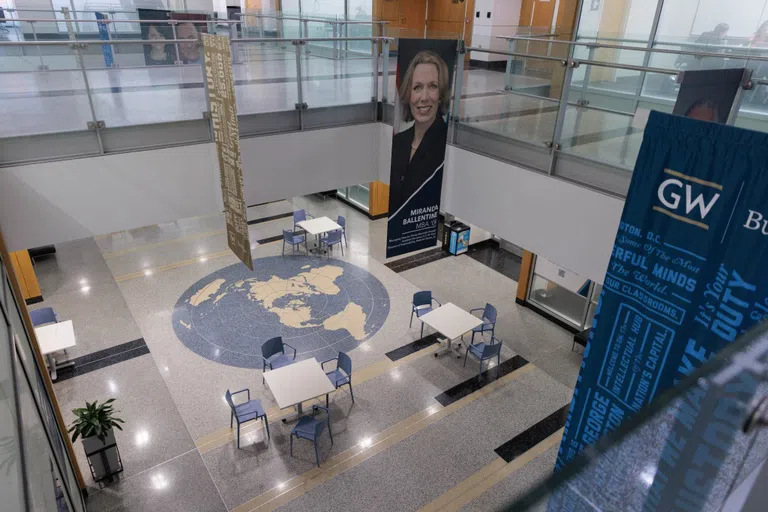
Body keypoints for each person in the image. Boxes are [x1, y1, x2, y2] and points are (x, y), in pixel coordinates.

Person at [388, 50, 450, 217]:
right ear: (409, 94)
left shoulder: (446, 146)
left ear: (441, 93)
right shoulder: (399, 141)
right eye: (417, 87)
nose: (424, 97)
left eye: (432, 86)